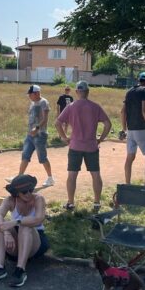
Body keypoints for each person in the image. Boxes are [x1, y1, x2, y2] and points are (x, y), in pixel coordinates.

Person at [55, 81, 112, 212]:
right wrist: (100, 139)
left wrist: (64, 137)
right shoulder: (95, 106)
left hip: (75, 145)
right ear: (88, 92)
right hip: (91, 146)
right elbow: (108, 124)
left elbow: (58, 123)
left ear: (76, 92)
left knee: (72, 175)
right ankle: (97, 203)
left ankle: (70, 202)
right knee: (96, 175)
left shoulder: (71, 107)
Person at [0, 174, 49, 287]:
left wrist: (16, 222)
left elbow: (38, 219)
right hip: (15, 243)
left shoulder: (38, 199)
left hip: (35, 241)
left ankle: (20, 270)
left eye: (30, 190)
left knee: (25, 226)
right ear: (16, 193)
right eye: (24, 191)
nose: (28, 193)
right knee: (0, 227)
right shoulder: (10, 200)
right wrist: (6, 232)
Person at [10, 85, 55, 187]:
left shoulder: (44, 102)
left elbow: (45, 118)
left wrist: (37, 128)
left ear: (37, 93)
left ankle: (50, 178)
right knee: (25, 155)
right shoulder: (32, 103)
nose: (29, 96)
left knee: (42, 157)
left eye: (30, 94)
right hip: (30, 135)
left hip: (40, 134)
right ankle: (18, 178)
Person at [121, 72, 145, 186]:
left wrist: (124, 129)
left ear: (139, 79)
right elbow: (144, 110)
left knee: (130, 157)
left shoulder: (129, 91)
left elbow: (123, 111)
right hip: (142, 129)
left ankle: (127, 184)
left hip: (131, 130)